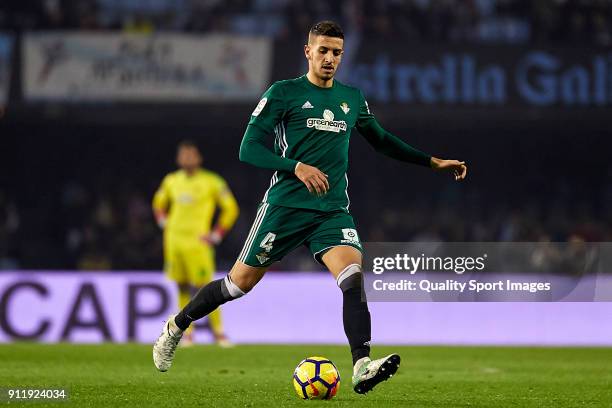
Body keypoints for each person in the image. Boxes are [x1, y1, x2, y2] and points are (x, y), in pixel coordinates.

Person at [153, 21, 467, 394]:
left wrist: (432, 162)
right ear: (308, 52)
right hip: (284, 207)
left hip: (331, 210)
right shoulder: (284, 93)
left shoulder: (351, 98)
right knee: (237, 286)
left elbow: (383, 142)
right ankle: (176, 326)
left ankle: (362, 364)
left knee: (352, 275)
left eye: (336, 52)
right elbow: (248, 148)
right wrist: (296, 166)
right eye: (323, 51)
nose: (330, 58)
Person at [152, 140, 239, 346]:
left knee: (205, 289)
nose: (187, 158)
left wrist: (216, 235)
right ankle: (187, 333)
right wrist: (164, 222)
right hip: (174, 241)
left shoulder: (212, 181)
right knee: (181, 286)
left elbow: (231, 208)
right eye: (183, 155)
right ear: (178, 158)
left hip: (198, 242)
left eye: (191, 154)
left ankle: (219, 333)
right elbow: (158, 203)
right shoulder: (171, 180)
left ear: (199, 158)